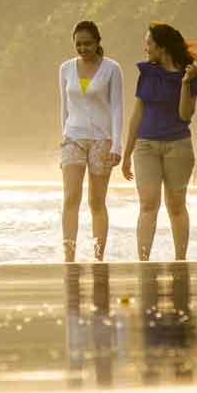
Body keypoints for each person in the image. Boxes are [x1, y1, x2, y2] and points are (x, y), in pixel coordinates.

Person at [121, 22, 197, 261]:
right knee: (148, 203)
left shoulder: (189, 75)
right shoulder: (147, 73)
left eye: (148, 43)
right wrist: (127, 153)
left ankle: (180, 260)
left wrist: (185, 83)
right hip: (145, 146)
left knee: (176, 205)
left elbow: (185, 115)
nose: (145, 48)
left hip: (178, 145)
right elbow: (137, 113)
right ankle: (143, 260)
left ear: (162, 47)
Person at [58, 21, 123, 262]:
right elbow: (64, 107)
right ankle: (69, 255)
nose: (83, 48)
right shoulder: (65, 69)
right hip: (73, 138)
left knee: (96, 201)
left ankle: (98, 256)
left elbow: (117, 108)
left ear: (97, 43)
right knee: (70, 197)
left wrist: (116, 145)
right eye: (78, 44)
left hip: (101, 140)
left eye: (88, 44)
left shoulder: (111, 69)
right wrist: (63, 136)